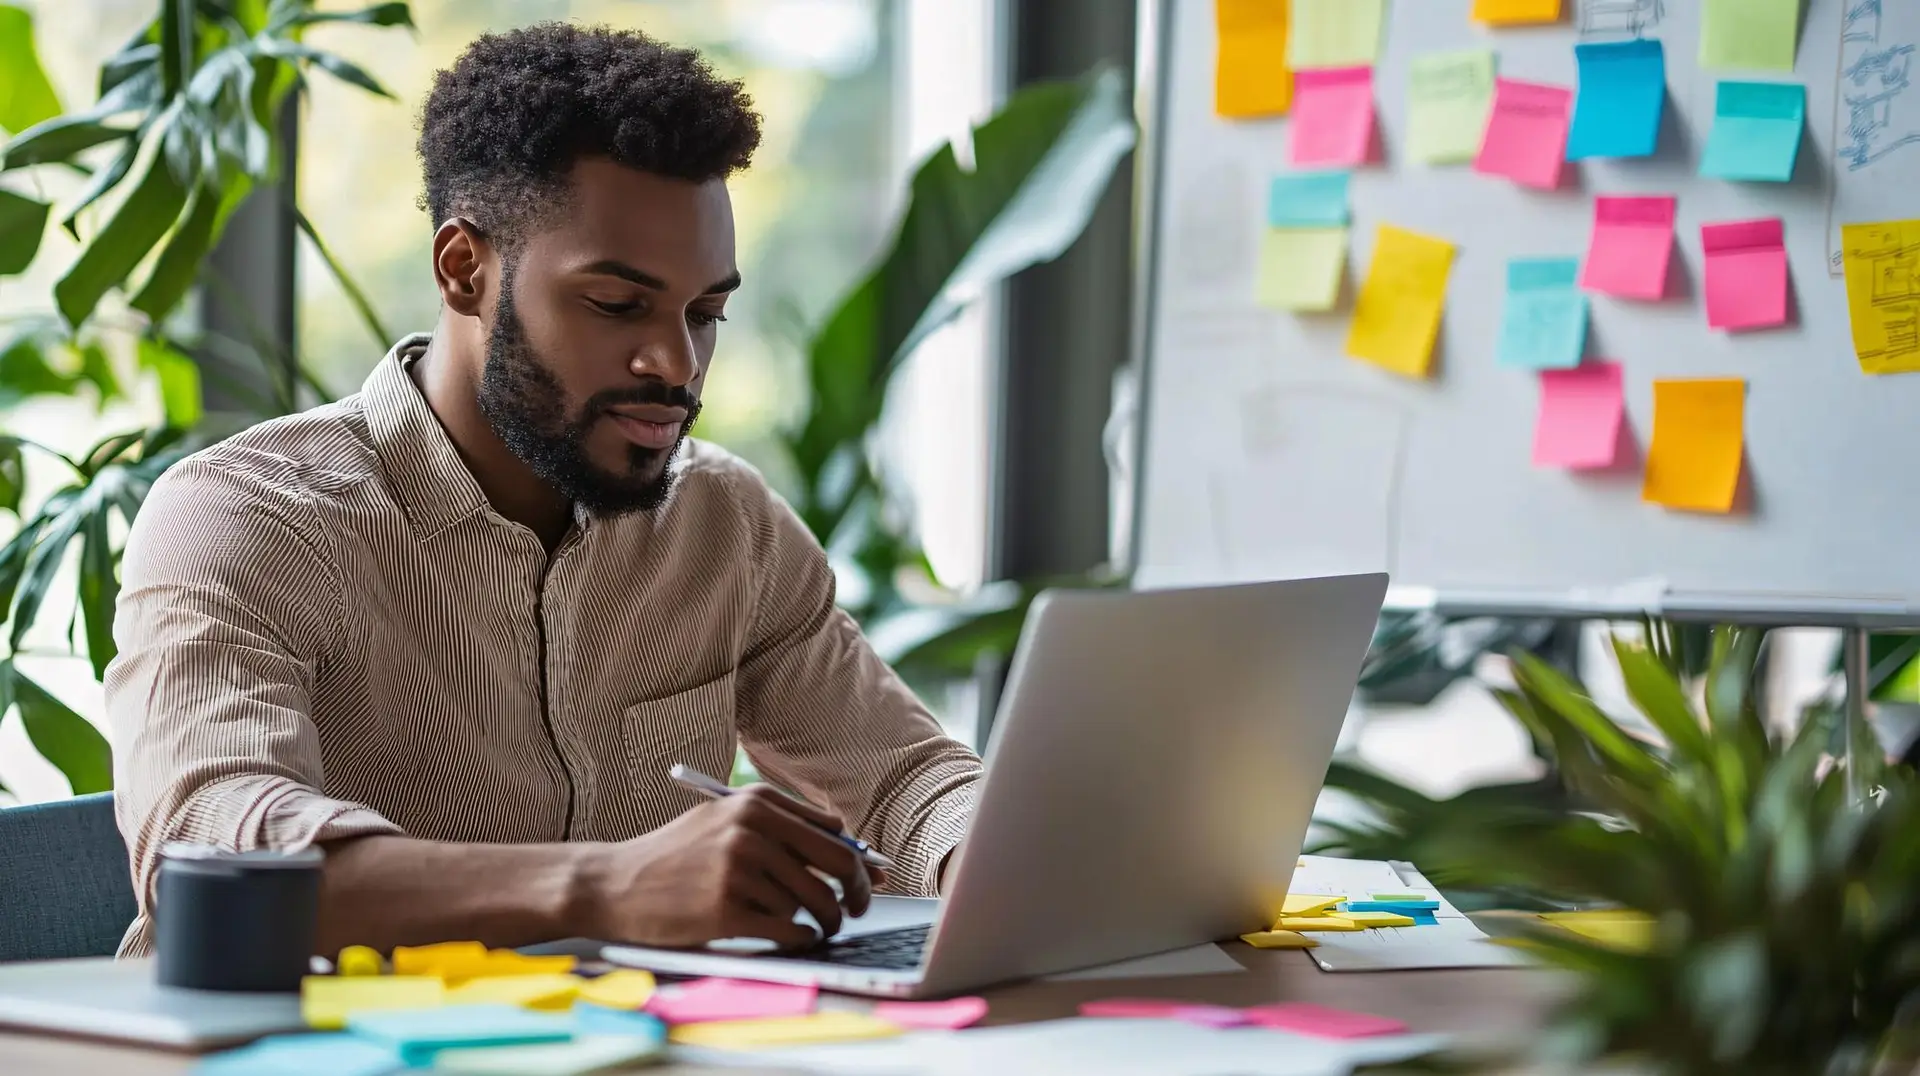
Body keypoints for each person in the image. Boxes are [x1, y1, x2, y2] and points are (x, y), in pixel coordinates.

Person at [106, 23, 982, 959]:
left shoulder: (725, 527)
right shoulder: (246, 519)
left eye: (707, 313)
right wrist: (610, 885)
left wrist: (1012, 859)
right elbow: (220, 864)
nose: (676, 364)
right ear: (464, 269)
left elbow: (906, 782)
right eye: (617, 304)